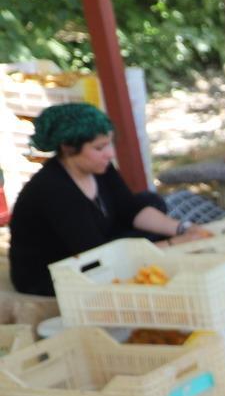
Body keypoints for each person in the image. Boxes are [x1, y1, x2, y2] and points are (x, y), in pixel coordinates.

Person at [8, 104, 212, 296]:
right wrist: (174, 243)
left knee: (150, 201)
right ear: (68, 148)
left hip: (98, 245)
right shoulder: (53, 190)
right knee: (146, 242)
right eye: (99, 148)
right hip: (53, 274)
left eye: (109, 144)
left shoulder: (98, 168)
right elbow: (97, 256)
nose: (110, 154)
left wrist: (184, 228)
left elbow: (131, 210)